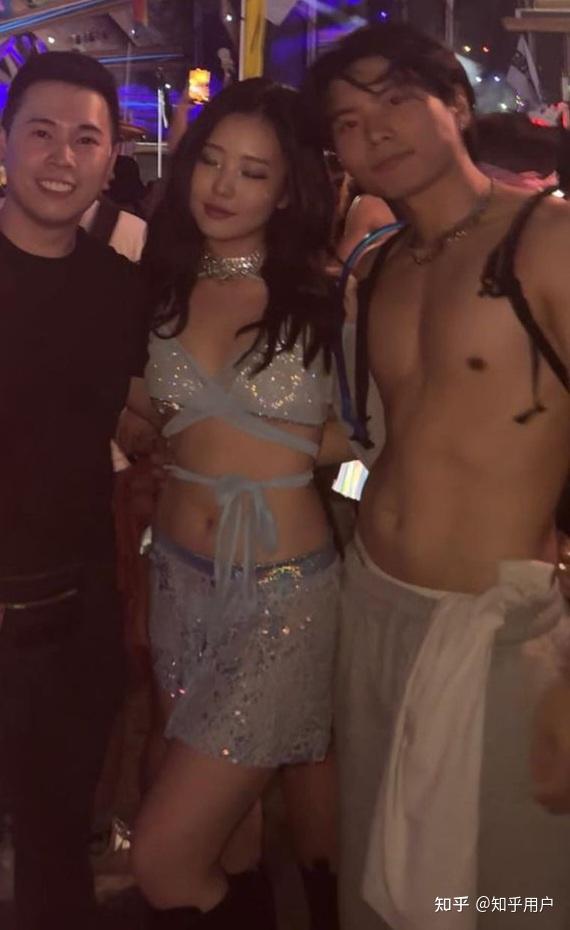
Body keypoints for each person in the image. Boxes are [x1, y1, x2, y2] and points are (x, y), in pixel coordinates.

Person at [306, 22, 570, 930]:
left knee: (508, 896)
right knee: (380, 885)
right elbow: (389, 454)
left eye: (393, 99)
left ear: (455, 103)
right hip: (374, 610)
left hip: (498, 636)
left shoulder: (546, 240)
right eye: (346, 121)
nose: (371, 129)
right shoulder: (379, 268)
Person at [128, 78, 341, 928]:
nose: (222, 186)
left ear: (287, 191)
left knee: (163, 858)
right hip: (178, 583)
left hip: (281, 599)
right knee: (230, 841)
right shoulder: (161, 285)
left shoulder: (326, 297)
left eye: (253, 172)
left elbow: (381, 437)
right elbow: (139, 413)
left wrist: (295, 454)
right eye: (211, 161)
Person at [0, 51, 149, 930]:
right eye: (42, 133)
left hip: (73, 617)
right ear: (6, 143)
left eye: (85, 139)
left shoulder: (121, 289)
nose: (62, 158)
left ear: (111, 155)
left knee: (56, 849)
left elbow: (147, 414)